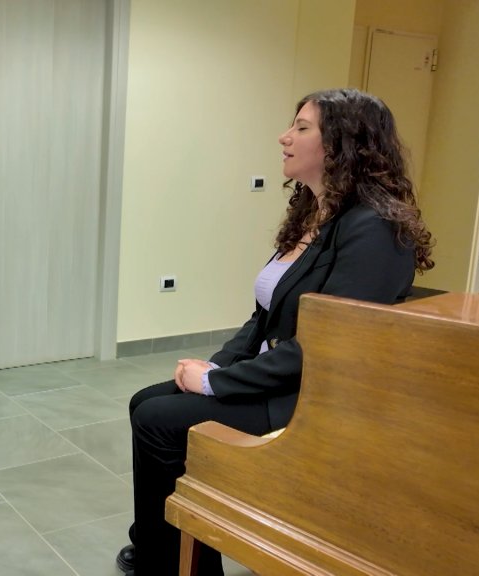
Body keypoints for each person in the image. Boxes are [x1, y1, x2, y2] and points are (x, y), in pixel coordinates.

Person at [115, 88, 435, 576]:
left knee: (159, 419)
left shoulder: (374, 230)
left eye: (302, 128)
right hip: (278, 378)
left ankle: (172, 561)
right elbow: (262, 318)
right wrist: (216, 365)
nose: (284, 137)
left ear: (343, 144)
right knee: (144, 401)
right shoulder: (315, 213)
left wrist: (216, 383)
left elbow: (327, 350)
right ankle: (160, 546)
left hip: (309, 399)